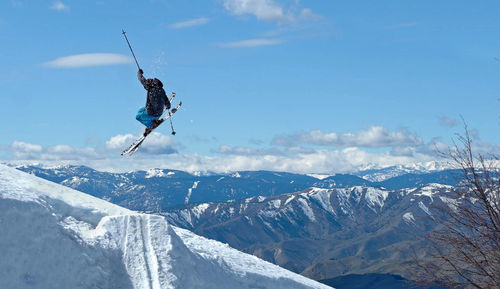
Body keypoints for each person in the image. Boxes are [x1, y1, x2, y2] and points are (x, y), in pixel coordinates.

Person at [135, 69, 171, 135]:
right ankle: (152, 120)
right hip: (158, 112)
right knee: (140, 110)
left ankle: (151, 125)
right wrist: (168, 106)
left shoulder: (150, 88)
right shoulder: (161, 90)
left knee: (138, 117)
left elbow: (141, 80)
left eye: (150, 80)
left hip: (153, 113)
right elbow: (167, 102)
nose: (148, 80)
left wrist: (139, 73)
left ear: (152, 83)